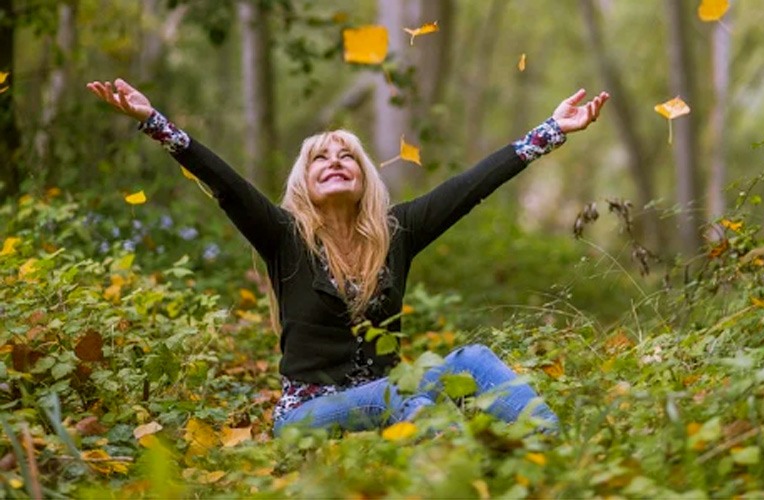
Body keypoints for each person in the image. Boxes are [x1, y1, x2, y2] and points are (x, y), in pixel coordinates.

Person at [87, 78, 609, 436]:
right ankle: (457, 463)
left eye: (347, 156)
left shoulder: (397, 232)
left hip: (390, 393)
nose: (335, 162)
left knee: (468, 363)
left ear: (364, 178)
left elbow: (470, 186)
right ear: (304, 183)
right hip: (308, 413)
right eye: (320, 158)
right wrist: (154, 121)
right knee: (410, 402)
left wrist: (551, 130)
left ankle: (549, 447)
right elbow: (224, 183)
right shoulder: (284, 236)